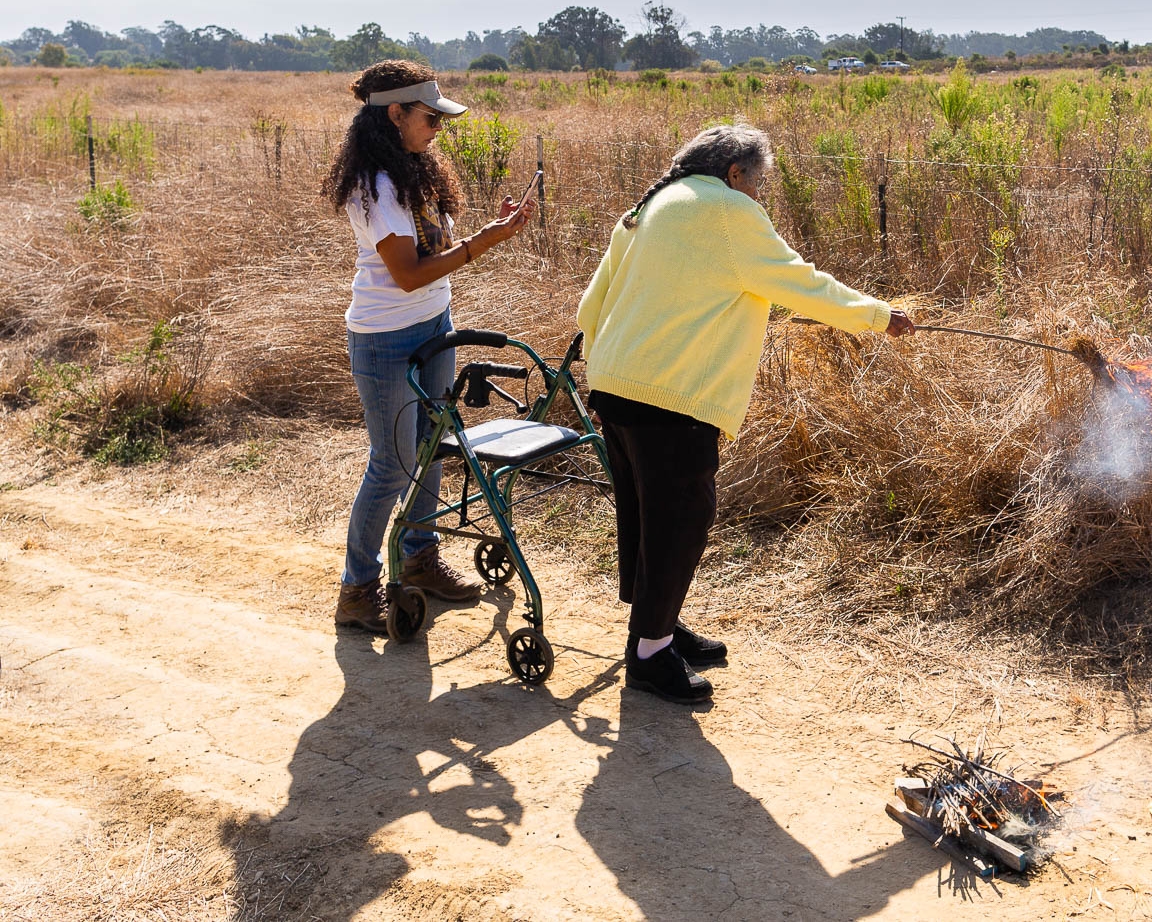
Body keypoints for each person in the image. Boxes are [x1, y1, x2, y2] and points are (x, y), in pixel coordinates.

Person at [577, 123, 913, 704]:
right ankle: (651, 654)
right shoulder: (728, 211)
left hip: (615, 383)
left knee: (642, 512)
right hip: (671, 393)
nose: (758, 197)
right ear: (734, 174)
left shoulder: (649, 205)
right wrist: (880, 316)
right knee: (681, 518)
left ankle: (653, 627)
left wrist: (604, 365)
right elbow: (798, 283)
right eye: (758, 184)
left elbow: (591, 306)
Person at [322, 60, 534, 632]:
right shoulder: (375, 185)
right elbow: (409, 273)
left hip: (433, 323)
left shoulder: (413, 170)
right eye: (429, 115)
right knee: (390, 465)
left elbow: (431, 252)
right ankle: (358, 589)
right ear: (394, 115)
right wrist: (483, 243)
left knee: (433, 444)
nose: (439, 124)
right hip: (386, 338)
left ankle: (418, 559)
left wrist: (493, 232)